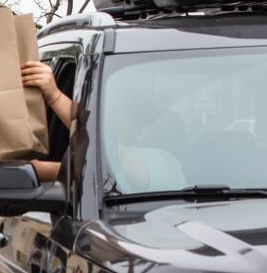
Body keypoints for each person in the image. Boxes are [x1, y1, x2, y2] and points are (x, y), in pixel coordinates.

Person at [21, 60, 186, 191]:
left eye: (113, 112)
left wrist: (55, 96)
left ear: (141, 126)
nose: (108, 118)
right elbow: (64, 171)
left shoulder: (165, 165)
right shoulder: (101, 168)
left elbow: (107, 146)